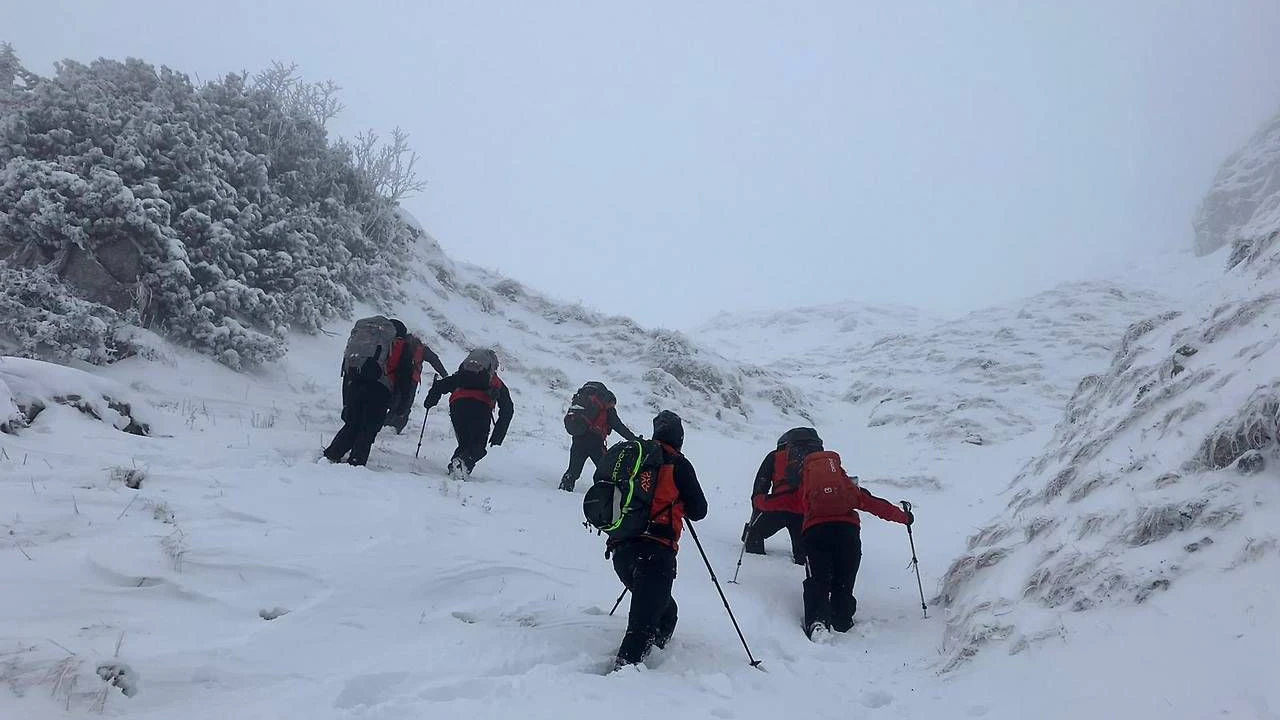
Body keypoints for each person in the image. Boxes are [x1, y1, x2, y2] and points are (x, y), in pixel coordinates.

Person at [753, 439, 912, 641]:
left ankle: (817, 623)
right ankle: (842, 618)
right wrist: (905, 518)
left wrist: (758, 499)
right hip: (848, 534)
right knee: (844, 580)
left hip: (816, 534)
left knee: (818, 580)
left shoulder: (805, 489)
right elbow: (876, 505)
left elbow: (776, 503)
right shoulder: (847, 488)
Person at [608, 410, 708, 670]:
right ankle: (621, 683)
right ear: (679, 437)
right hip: (656, 553)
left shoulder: (636, 458)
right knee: (641, 627)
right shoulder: (678, 464)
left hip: (622, 550)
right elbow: (699, 510)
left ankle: (655, 658)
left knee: (666, 612)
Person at [324, 317, 415, 466]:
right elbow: (405, 375)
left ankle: (332, 454)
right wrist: (402, 405)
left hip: (355, 383)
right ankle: (356, 462)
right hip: (380, 389)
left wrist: (346, 401)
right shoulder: (401, 345)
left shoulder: (368, 343)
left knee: (352, 424)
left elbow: (347, 371)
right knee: (369, 427)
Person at [422, 348, 514, 480]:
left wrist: (430, 402)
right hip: (481, 409)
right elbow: (508, 408)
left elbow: (440, 386)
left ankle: (455, 466)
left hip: (457, 406)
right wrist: (498, 433)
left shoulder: (462, 375)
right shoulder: (494, 380)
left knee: (465, 443)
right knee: (478, 447)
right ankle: (461, 465)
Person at [743, 427, 823, 565]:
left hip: (779, 505)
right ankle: (800, 564)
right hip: (805, 509)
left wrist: (757, 508)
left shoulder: (775, 456)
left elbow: (761, 484)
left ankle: (755, 565)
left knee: (753, 534)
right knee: (803, 551)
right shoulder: (819, 458)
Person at [558, 381, 639, 492]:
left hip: (578, 437)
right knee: (606, 469)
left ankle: (563, 491)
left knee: (573, 470)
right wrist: (634, 439)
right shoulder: (607, 407)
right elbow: (618, 426)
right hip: (595, 442)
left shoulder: (585, 402)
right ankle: (604, 493)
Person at [383, 330, 449, 434]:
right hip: (411, 379)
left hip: (393, 376)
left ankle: (384, 424)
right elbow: (434, 360)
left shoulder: (399, 344)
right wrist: (444, 374)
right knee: (406, 403)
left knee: (393, 401)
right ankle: (394, 428)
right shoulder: (421, 349)